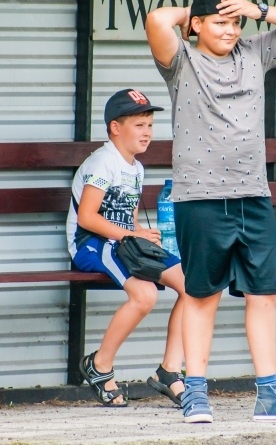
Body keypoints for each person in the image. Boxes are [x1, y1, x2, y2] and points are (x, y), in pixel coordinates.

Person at [144, 0, 276, 423]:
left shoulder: (255, 53)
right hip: (200, 198)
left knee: (263, 294)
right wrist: (197, 11)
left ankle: (270, 395)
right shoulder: (181, 61)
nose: (230, 29)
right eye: (219, 22)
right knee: (202, 295)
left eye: (234, 22)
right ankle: (196, 393)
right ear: (197, 26)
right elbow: (156, 21)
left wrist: (256, 10)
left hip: (254, 194)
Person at [66, 88, 187, 408]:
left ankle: (169, 371)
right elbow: (88, 218)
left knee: (193, 286)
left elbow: (128, 220)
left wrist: (142, 233)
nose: (147, 132)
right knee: (145, 295)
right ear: (115, 128)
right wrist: (130, 236)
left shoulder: (136, 167)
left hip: (120, 240)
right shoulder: (103, 162)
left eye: (150, 125)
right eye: (139, 125)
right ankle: (100, 365)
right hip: (91, 243)